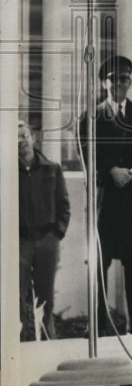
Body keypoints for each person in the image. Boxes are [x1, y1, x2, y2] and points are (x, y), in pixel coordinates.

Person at [92, 55, 132, 335]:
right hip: (109, 201)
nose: (119, 83)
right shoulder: (92, 116)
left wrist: (131, 171)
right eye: (113, 78)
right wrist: (110, 171)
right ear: (104, 82)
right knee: (100, 262)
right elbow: (88, 152)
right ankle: (99, 326)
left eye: (124, 78)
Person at [18, 119, 70, 340]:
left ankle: (49, 341)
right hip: (19, 243)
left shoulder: (52, 169)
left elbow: (64, 205)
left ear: (33, 138)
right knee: (16, 297)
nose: (20, 141)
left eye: (24, 136)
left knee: (45, 296)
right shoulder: (6, 172)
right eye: (15, 138)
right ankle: (17, 344)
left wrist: (56, 233)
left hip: (47, 241)